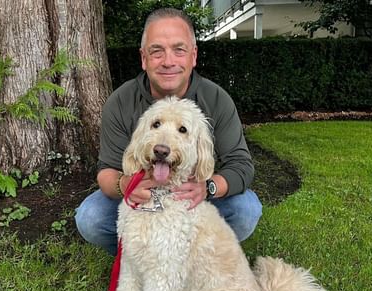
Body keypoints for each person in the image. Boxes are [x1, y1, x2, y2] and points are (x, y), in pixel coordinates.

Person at [75, 8, 262, 256]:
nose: (168, 61)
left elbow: (241, 165)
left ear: (193, 56)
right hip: (143, 199)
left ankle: (196, 256)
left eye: (179, 49)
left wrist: (209, 187)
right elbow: (107, 170)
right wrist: (124, 184)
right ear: (143, 58)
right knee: (91, 217)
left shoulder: (217, 99)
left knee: (246, 209)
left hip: (195, 198)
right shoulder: (120, 101)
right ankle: (140, 256)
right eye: (156, 51)